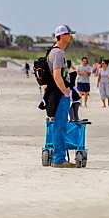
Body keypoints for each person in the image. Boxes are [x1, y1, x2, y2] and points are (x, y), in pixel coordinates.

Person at [44, 25, 77, 167]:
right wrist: (66, 92)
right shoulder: (58, 53)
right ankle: (59, 159)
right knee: (60, 126)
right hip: (59, 94)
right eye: (69, 34)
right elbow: (57, 76)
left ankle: (59, 157)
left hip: (54, 93)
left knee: (59, 125)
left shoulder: (53, 52)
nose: (71, 37)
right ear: (62, 36)